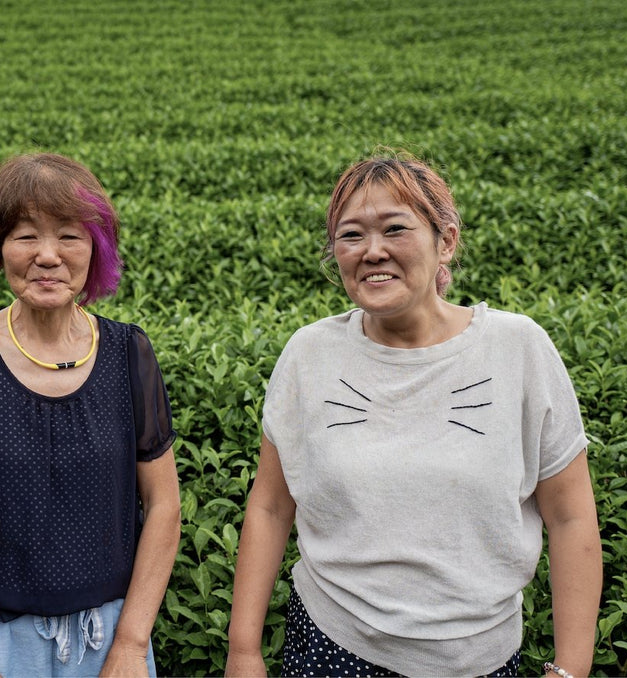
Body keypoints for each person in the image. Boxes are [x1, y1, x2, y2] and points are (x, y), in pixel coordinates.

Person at [226, 152, 602, 678]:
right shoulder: (310, 354)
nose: (372, 251)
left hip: (482, 659)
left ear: (445, 240)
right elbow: (269, 508)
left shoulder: (519, 349)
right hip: (332, 648)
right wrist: (243, 651)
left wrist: (571, 669)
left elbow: (571, 518)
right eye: (351, 235)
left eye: (395, 229)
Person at [0, 153, 181, 677]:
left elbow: (164, 504)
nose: (47, 256)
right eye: (26, 235)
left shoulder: (129, 352)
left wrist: (130, 643)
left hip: (110, 639)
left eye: (69, 236)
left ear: (95, 249)